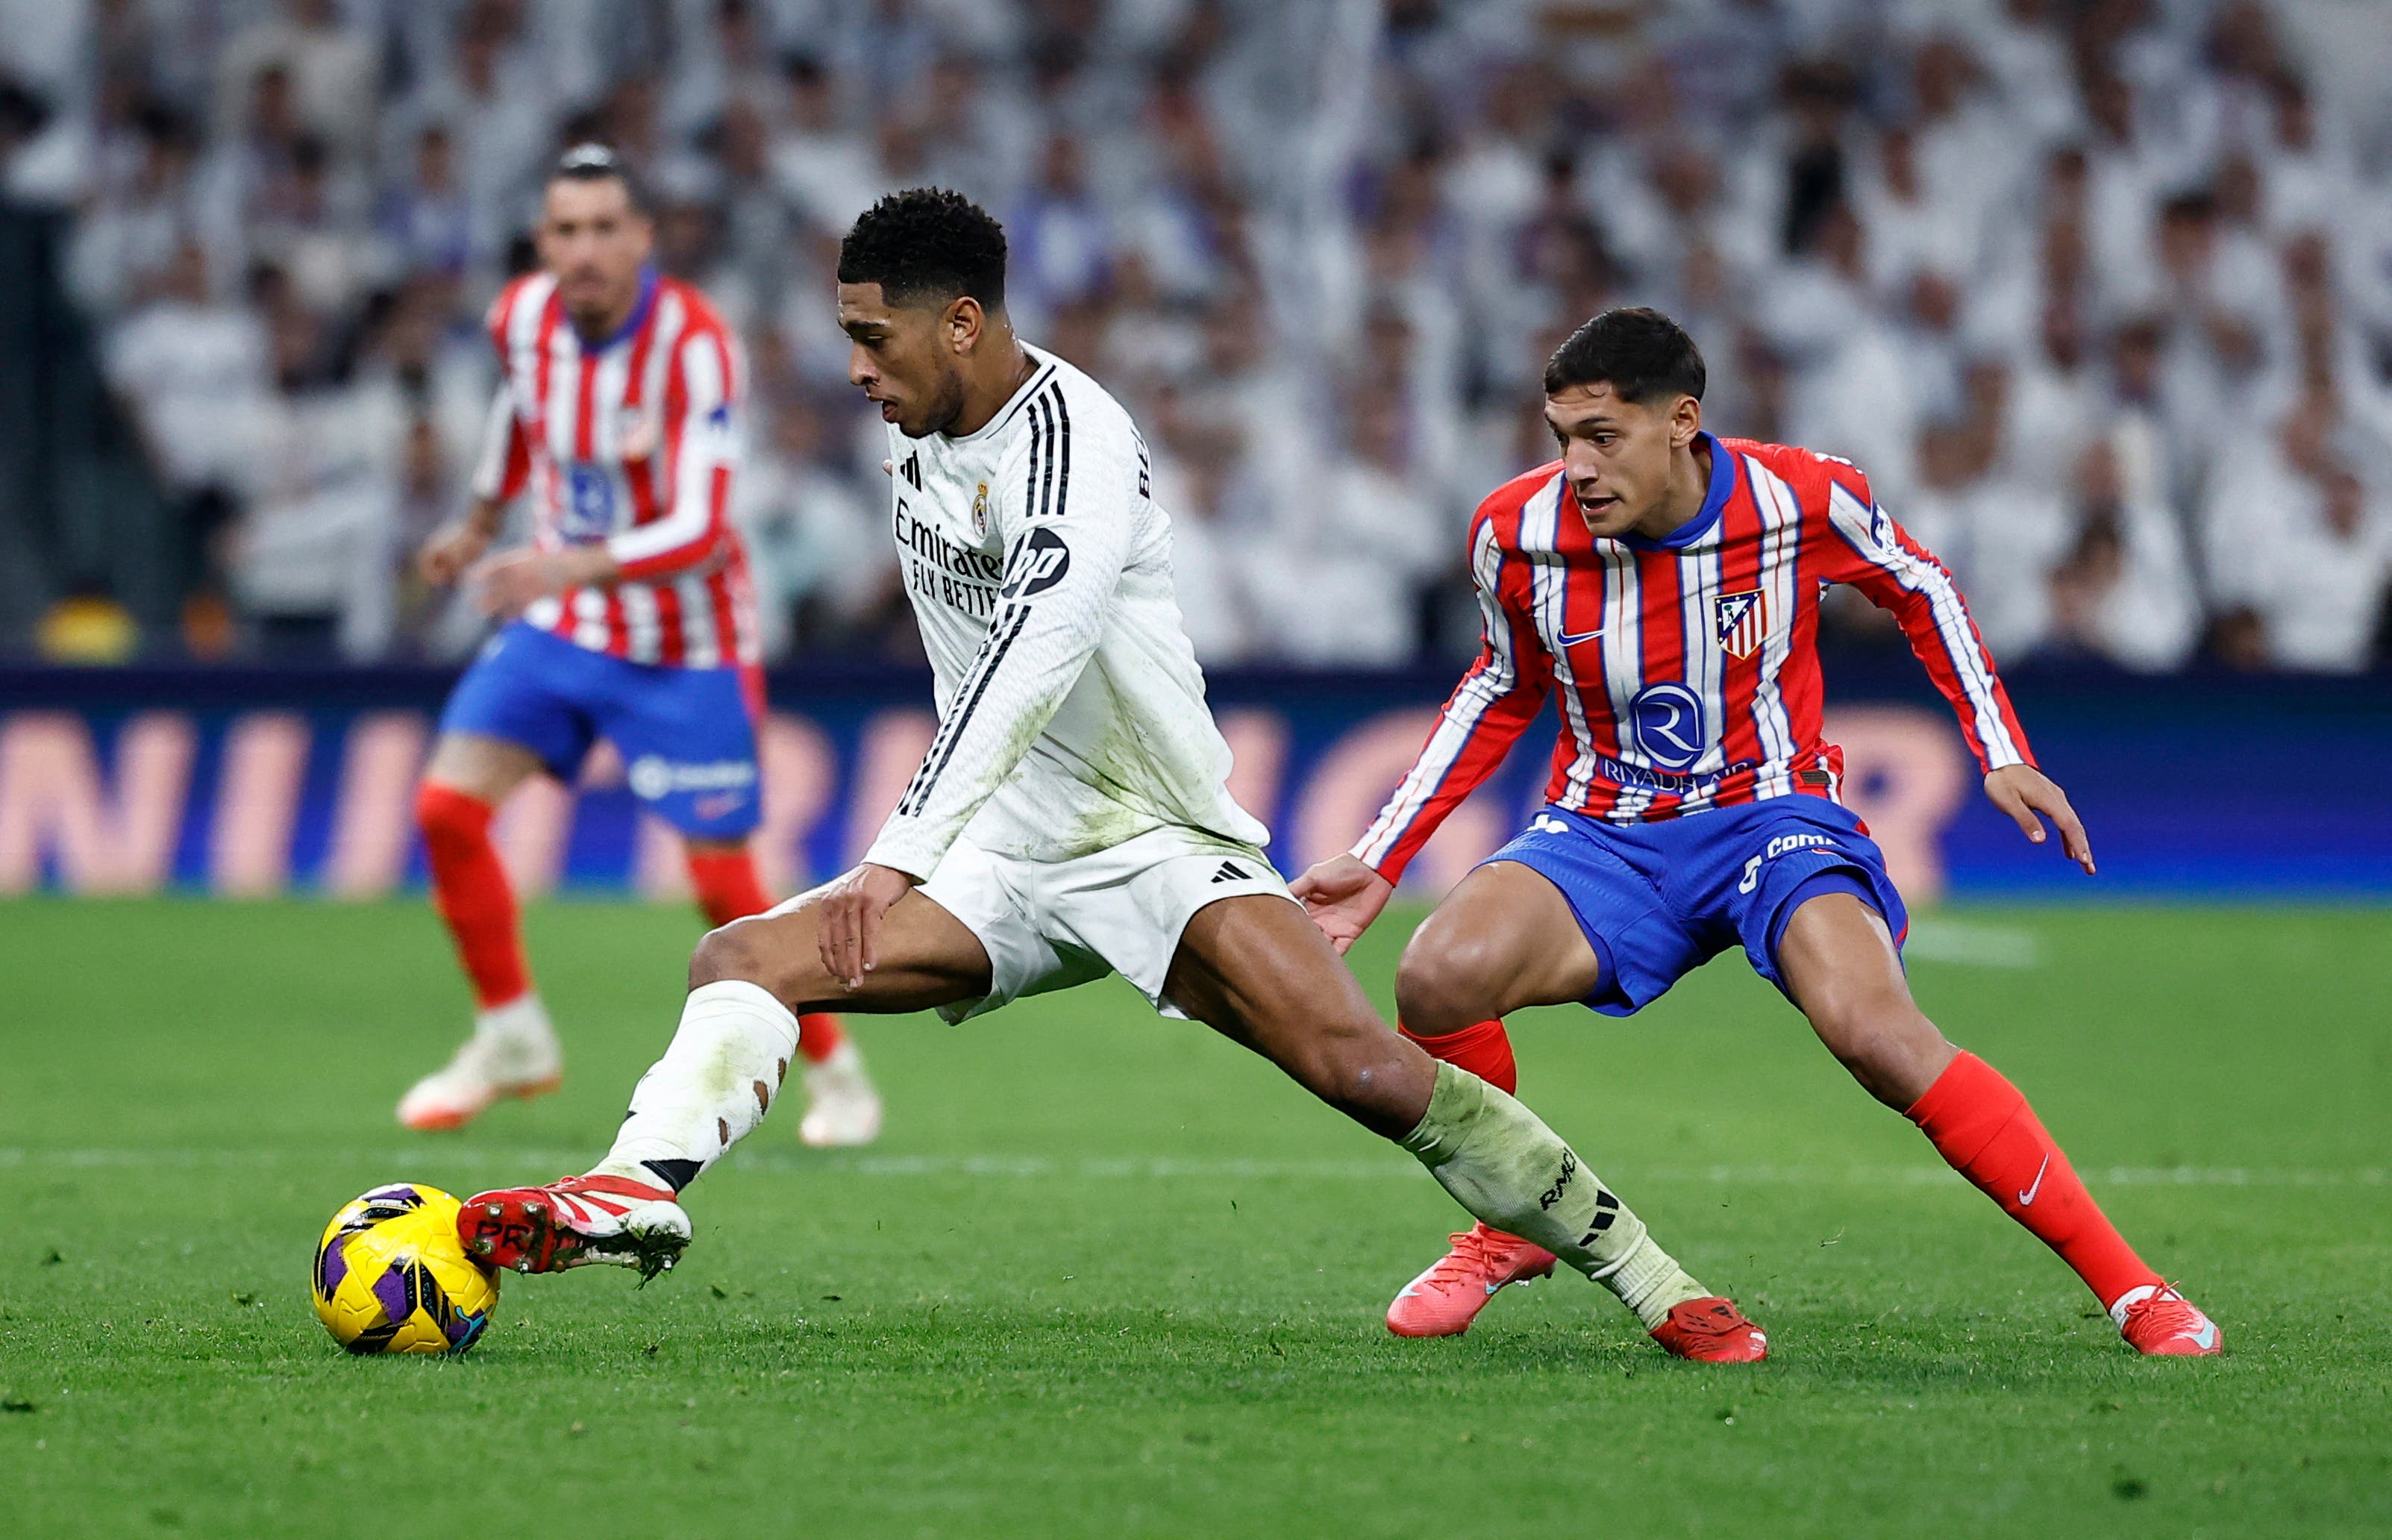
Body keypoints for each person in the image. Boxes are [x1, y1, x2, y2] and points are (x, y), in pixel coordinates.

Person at [455, 190, 1767, 1363]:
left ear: (961, 323)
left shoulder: (1076, 441)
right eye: (848, 338)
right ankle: (633, 1188)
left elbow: (1033, 654)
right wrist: (934, 851)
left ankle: (1654, 1283)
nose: (855, 369)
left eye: (874, 339)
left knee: (1361, 1068)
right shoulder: (917, 431)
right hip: (1001, 857)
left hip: (1152, 838)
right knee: (740, 958)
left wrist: (895, 849)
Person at [1292, 307, 2223, 1356]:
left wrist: (1998, 745)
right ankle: (1506, 1226)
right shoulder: (1515, 534)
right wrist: (1378, 859)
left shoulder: (1801, 495)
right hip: (1605, 831)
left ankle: (2132, 1287)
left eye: (1601, 436)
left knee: (1875, 1035)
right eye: (1561, 437)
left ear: (1681, 421)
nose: (1576, 467)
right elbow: (1500, 687)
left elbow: (1920, 587)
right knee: (1436, 976)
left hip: (1770, 815)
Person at [403, 145, 879, 1149]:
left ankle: (835, 1070)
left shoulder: (695, 345)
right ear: (544, 243)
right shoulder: (522, 318)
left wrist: (563, 565)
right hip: (565, 624)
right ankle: (510, 1033)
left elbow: (702, 528)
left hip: (685, 641)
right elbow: (520, 410)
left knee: (721, 885)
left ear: (640, 240)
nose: (583, 251)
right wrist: (483, 518)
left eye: (603, 230)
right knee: (447, 809)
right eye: (564, 231)